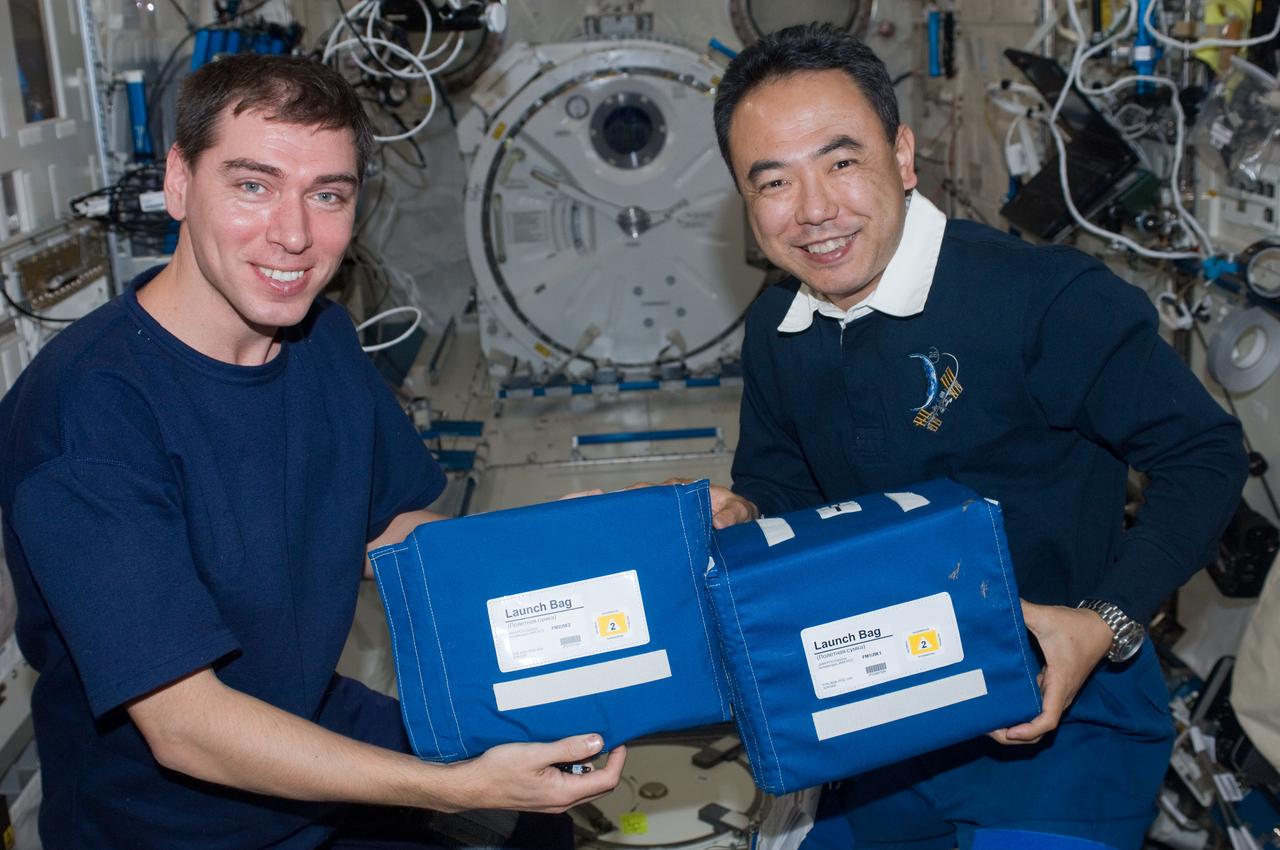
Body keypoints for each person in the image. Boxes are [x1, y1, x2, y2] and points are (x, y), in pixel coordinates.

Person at [0, 54, 623, 849]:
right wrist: (455, 787)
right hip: (175, 818)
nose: (294, 235)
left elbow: (383, 531)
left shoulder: (317, 336)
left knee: (541, 826)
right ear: (180, 183)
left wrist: (566, 541)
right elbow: (186, 726)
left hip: (304, 716)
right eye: (253, 185)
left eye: (327, 195)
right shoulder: (89, 413)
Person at [704, 23, 1247, 849]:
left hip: (1063, 719)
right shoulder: (779, 325)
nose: (813, 211)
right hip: (883, 715)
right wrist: (745, 514)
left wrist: (1104, 621)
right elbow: (789, 486)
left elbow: (1204, 455)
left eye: (841, 163)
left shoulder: (1044, 299)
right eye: (773, 181)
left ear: (903, 157)